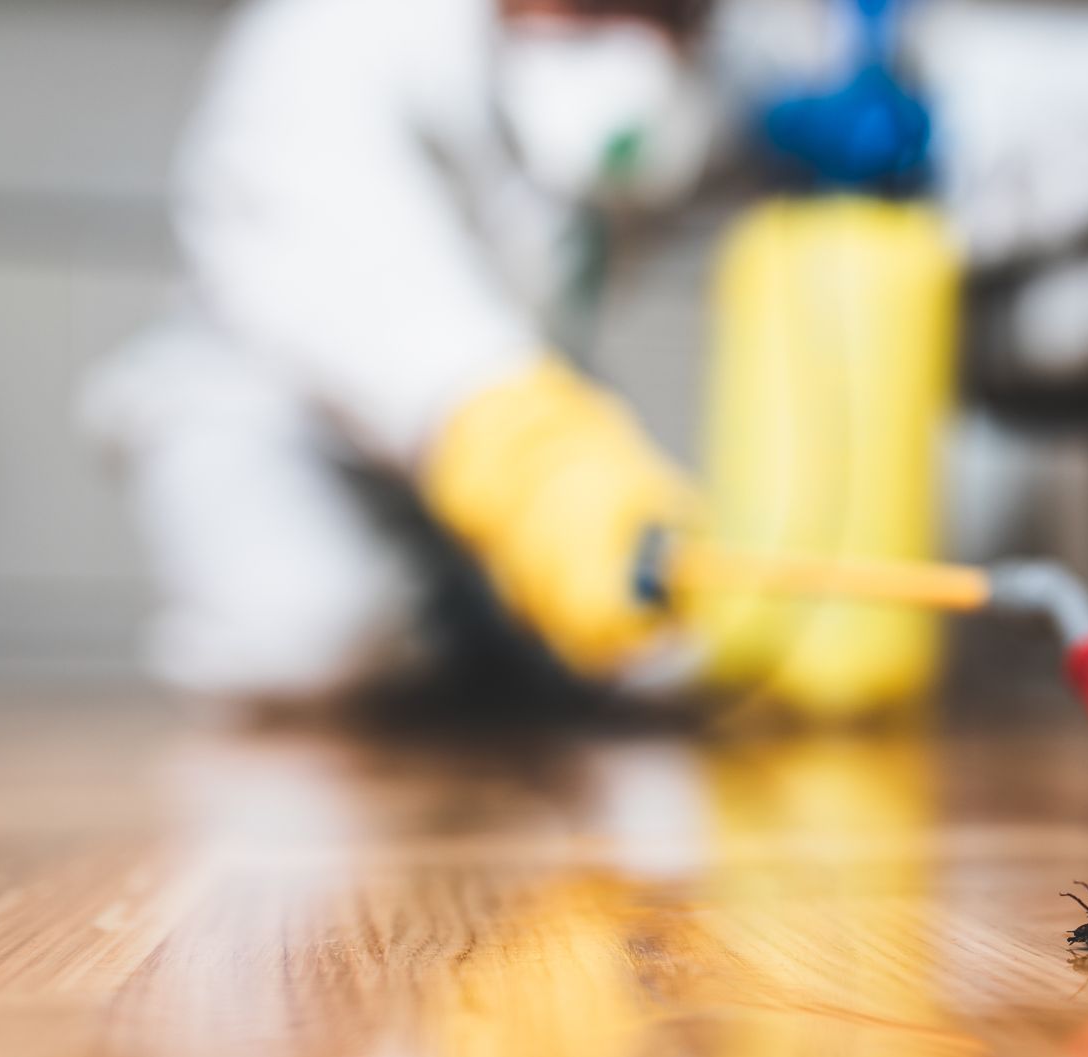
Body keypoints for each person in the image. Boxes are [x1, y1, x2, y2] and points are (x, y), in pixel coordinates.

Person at [84, 0, 724, 707]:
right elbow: (368, 297)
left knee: (654, 655)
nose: (643, 45)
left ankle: (468, 647)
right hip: (278, 411)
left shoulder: (696, 76)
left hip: (506, 424)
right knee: (315, 633)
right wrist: (536, 461)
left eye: (676, 17)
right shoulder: (335, 34)